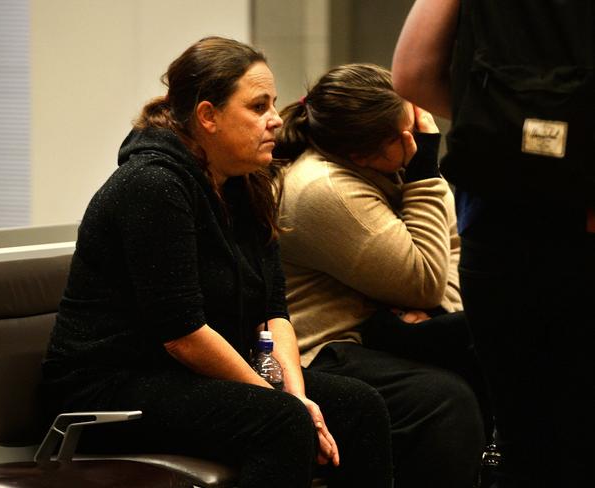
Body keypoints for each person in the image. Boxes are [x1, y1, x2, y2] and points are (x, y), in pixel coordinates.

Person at [41, 37, 393, 488]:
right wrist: (281, 404)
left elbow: (274, 311)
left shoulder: (245, 183)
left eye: (274, 104)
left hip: (183, 379)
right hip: (108, 389)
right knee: (279, 422)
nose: (274, 120)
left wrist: (296, 395)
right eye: (258, 106)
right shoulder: (152, 185)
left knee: (358, 405)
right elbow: (182, 336)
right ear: (208, 116)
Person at [392, 1, 595, 487]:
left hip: (498, 222)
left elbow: (412, 74)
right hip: (582, 223)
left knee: (524, 440)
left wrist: (509, 126)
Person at [273, 63, 486, 488]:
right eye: (405, 134)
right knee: (445, 400)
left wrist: (436, 307)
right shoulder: (326, 188)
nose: (418, 136)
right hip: (326, 350)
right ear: (360, 153)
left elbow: (454, 256)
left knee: (500, 342)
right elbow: (425, 278)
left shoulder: (384, 167)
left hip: (378, 336)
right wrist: (426, 169)